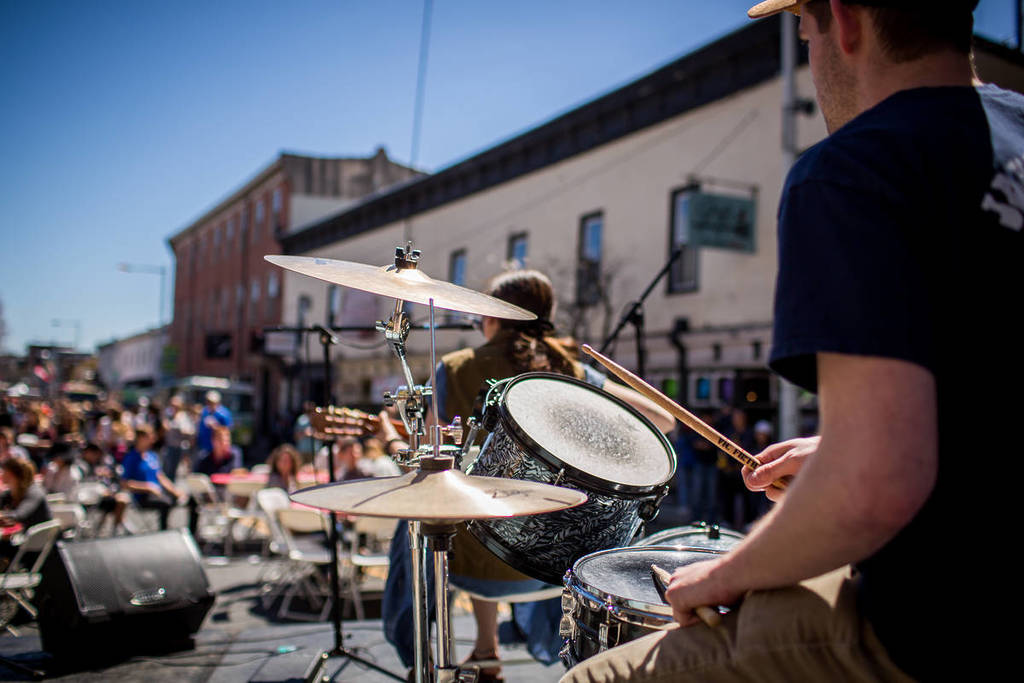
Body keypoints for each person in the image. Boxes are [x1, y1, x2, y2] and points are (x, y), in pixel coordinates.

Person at [561, 1, 1021, 681]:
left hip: (946, 628)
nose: (812, 61)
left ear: (844, 20)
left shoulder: (856, 166)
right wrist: (847, 445)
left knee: (592, 676)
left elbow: (874, 488)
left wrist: (720, 576)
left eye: (805, 36)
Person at [384, 269, 673, 679]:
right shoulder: (568, 369)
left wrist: (391, 442)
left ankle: (430, 655)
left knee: (453, 500)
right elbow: (662, 419)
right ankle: (489, 648)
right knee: (505, 505)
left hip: (472, 561)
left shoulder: (456, 366)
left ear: (492, 316)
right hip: (556, 570)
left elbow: (435, 457)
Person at [121, 425, 185, 531]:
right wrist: (147, 487)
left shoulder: (152, 456)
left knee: (189, 501)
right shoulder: (131, 457)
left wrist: (175, 491)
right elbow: (125, 483)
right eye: (149, 437)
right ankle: (163, 532)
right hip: (142, 496)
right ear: (141, 438)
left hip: (157, 493)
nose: (152, 440)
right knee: (166, 503)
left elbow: (160, 477)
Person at [0, 457, 52, 560]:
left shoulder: (34, 492)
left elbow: (20, 515)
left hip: (33, 549)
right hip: (21, 540)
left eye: (3, 471)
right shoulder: (12, 492)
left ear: (10, 473)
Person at [195, 390, 232, 455]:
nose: (209, 404)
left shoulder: (224, 414)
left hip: (216, 449)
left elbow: (226, 431)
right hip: (203, 445)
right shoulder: (205, 411)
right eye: (208, 401)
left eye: (212, 402)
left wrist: (215, 426)